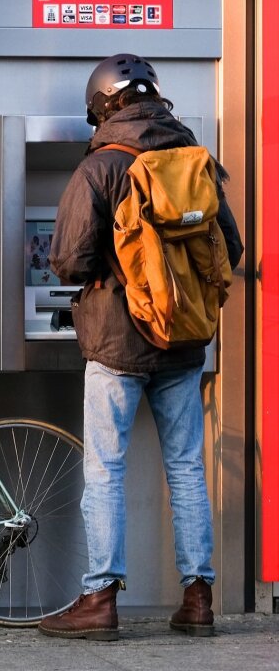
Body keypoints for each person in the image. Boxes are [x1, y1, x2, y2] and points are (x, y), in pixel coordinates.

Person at [38, 53, 244, 641]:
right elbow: (229, 249)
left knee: (105, 470)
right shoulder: (194, 160)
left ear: (102, 105)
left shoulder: (101, 165)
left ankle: (99, 598)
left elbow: (69, 261)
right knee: (185, 468)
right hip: (183, 341)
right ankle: (198, 598)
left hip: (116, 343)